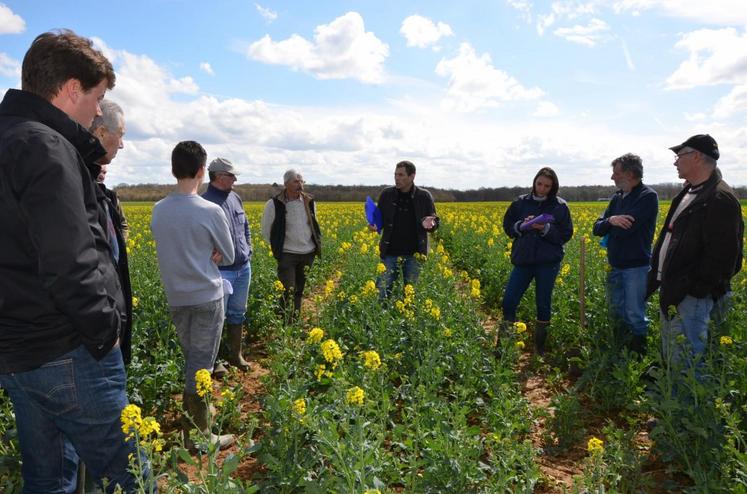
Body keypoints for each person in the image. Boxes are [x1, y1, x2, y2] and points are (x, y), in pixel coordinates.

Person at [0, 30, 148, 492]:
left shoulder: (9, 138)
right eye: (97, 97)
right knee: (132, 479)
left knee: (47, 480)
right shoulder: (46, 147)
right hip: (67, 349)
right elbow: (70, 262)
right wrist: (105, 331)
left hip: (17, 350)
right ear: (69, 89)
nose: (96, 112)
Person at [151, 141, 235, 449]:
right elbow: (228, 254)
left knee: (193, 358)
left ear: (174, 170)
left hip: (177, 298)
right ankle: (199, 436)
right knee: (201, 364)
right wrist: (211, 251)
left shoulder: (158, 210)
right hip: (206, 297)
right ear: (202, 171)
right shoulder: (210, 210)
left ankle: (198, 421)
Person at [647, 134, 743, 364]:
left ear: (697, 157)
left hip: (690, 295)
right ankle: (673, 397)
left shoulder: (720, 198)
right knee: (673, 353)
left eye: (679, 155)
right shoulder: (689, 192)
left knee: (687, 360)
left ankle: (687, 400)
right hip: (674, 288)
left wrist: (694, 288)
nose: (675, 161)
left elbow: (723, 257)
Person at [500, 167, 574, 356]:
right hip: (523, 260)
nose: (542, 189)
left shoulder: (559, 206)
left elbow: (565, 234)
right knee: (509, 300)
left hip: (547, 262)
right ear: (534, 182)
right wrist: (522, 226)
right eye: (539, 184)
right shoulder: (520, 203)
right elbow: (508, 226)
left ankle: (539, 350)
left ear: (553, 187)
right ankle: (503, 347)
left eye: (547, 186)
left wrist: (545, 228)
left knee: (543, 303)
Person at [593, 153, 658, 355]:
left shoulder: (647, 196)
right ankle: (620, 353)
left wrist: (609, 224)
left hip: (636, 267)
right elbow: (597, 228)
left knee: (635, 314)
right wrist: (612, 220)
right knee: (617, 312)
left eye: (616, 173)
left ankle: (639, 358)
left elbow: (627, 229)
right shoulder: (617, 198)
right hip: (616, 265)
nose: (612, 177)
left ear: (630, 174)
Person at [91, 99, 135, 365]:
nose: (121, 144)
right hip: (96, 336)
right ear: (101, 132)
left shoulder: (106, 196)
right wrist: (106, 330)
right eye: (120, 135)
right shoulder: (77, 183)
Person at [202, 158, 252, 374]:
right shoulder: (204, 202)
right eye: (232, 176)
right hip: (221, 271)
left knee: (238, 313)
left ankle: (236, 355)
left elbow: (246, 228)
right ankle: (217, 360)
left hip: (243, 268)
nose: (235, 179)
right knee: (217, 317)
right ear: (219, 177)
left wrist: (248, 249)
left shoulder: (235, 198)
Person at [370, 160, 438, 298]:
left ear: (412, 176)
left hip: (414, 254)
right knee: (382, 292)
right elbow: (379, 220)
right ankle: (382, 317)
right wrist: (375, 225)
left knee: (411, 295)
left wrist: (432, 224)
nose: (397, 178)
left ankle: (407, 318)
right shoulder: (386, 194)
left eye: (401, 175)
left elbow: (433, 221)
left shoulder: (424, 196)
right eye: (395, 174)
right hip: (390, 252)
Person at [261, 169, 322, 322]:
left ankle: (294, 320)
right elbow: (266, 229)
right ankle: (281, 318)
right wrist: (277, 246)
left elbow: (314, 224)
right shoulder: (274, 204)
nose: (300, 184)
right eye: (296, 181)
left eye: (302, 181)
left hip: (308, 252)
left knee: (299, 289)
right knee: (288, 289)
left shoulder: (309, 201)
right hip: (287, 253)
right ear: (286, 184)